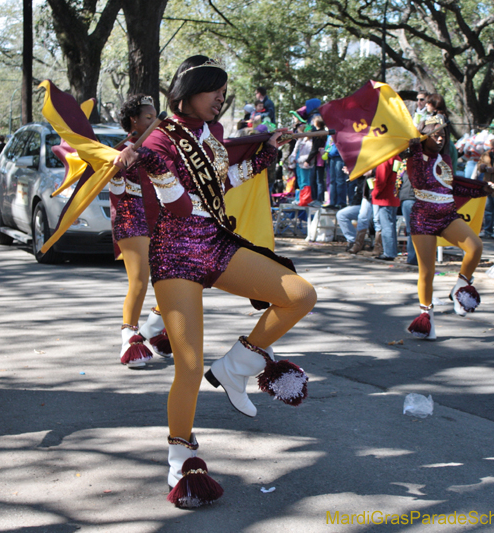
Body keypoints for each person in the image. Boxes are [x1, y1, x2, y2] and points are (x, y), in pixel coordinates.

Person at [117, 55, 316, 507]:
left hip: (217, 241)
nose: (221, 99)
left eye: (224, 92)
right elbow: (180, 207)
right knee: (187, 366)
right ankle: (179, 458)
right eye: (214, 91)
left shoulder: (211, 136)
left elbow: (221, 183)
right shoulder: (161, 136)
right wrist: (149, 160)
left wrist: (267, 153)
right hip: (177, 251)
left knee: (300, 295)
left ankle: (236, 367)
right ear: (186, 93)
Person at [405, 116, 492, 340]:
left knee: (475, 247)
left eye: (443, 134)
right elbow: (414, 163)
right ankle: (427, 317)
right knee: (427, 272)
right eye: (435, 134)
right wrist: (415, 142)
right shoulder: (415, 156)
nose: (441, 138)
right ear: (424, 137)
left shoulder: (445, 158)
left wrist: (479, 188)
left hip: (448, 214)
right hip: (423, 216)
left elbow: (452, 185)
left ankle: (460, 287)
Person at [109, 94, 172, 366]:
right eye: (149, 117)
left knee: (173, 280)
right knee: (140, 279)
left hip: (159, 219)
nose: (154, 121)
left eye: (156, 116)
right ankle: (129, 339)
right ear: (133, 120)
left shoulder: (160, 147)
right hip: (130, 219)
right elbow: (117, 192)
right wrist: (116, 172)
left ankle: (153, 329)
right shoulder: (120, 149)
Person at [372, 157, 401, 260]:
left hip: (384, 197)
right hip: (393, 196)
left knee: (386, 226)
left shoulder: (385, 159)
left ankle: (389, 253)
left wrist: (374, 193)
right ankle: (391, 251)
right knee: (391, 226)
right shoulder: (397, 157)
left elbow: (381, 180)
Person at [337, 172, 374, 253]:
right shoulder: (358, 177)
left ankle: (373, 244)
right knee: (341, 214)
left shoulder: (371, 172)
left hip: (374, 202)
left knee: (365, 217)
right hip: (361, 203)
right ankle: (353, 241)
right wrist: (352, 173)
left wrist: (371, 172)